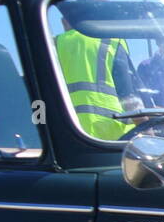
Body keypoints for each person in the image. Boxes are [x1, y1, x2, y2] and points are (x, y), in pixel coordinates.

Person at [54, 9, 139, 140]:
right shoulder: (112, 42)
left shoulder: (52, 45)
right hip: (113, 138)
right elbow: (129, 97)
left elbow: (38, 100)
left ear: (64, 22)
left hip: (66, 136)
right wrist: (147, 132)